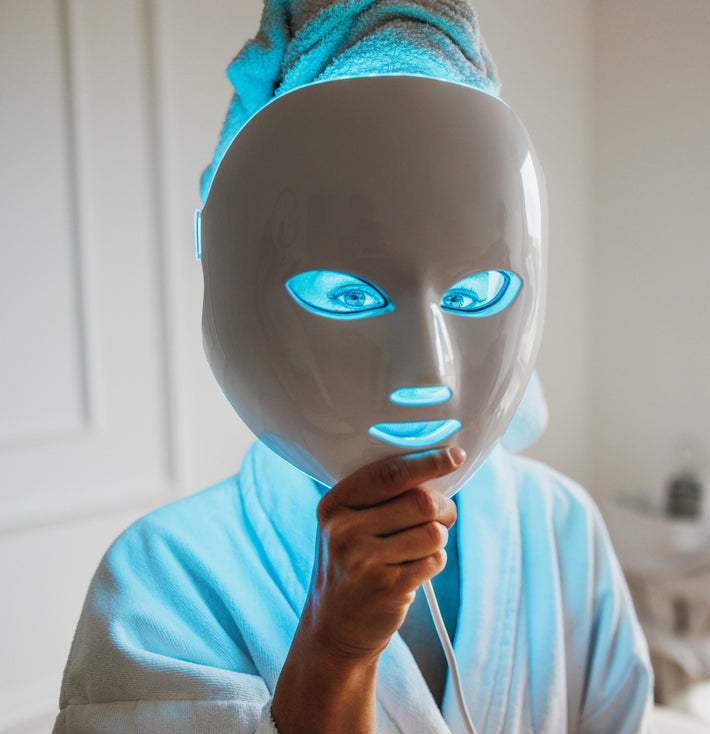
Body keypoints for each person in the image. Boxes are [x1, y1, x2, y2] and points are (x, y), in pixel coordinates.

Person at [52, 2, 655, 733]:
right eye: (348, 295)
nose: (428, 370)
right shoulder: (161, 586)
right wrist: (335, 652)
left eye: (473, 294)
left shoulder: (562, 530)